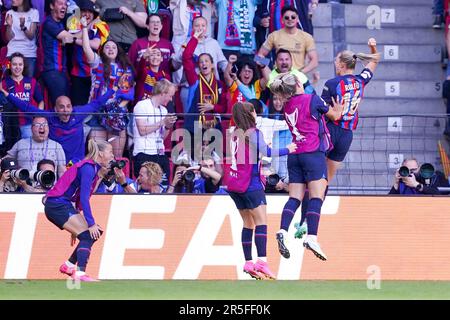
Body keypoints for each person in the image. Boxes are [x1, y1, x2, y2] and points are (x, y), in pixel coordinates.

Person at [294, 38, 380, 239]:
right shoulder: (361, 80)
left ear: (342, 64)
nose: (334, 63)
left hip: (330, 132)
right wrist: (372, 48)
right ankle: (313, 219)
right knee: (326, 181)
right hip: (347, 136)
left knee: (314, 179)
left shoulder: (332, 83)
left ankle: (304, 220)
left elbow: (324, 110)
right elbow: (374, 61)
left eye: (336, 61)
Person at [270, 72, 344, 261]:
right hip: (313, 153)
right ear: (297, 84)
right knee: (316, 196)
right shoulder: (312, 99)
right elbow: (334, 115)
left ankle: (283, 230)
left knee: (294, 198)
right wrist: (340, 108)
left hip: (294, 155)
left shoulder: (286, 106)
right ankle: (312, 237)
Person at [226, 101, 296, 280]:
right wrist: (288, 149)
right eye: (254, 112)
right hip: (250, 183)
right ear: (249, 114)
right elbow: (268, 152)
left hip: (234, 184)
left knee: (247, 224)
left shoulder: (234, 133)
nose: (256, 114)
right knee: (261, 222)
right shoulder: (253, 133)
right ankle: (262, 262)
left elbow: (246, 153)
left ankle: (249, 262)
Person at [44, 139, 114, 282]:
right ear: (100, 153)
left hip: (60, 204)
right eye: (110, 152)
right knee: (89, 234)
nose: (113, 156)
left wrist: (76, 223)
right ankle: (80, 274)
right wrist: (90, 223)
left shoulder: (91, 168)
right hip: (57, 204)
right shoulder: (88, 167)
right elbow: (83, 199)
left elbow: (80, 195)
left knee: (93, 234)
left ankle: (68, 265)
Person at [0, 81, 116, 164]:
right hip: (56, 164)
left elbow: (96, 103)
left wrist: (113, 90)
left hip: (77, 164)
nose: (66, 110)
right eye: (61, 107)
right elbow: (27, 107)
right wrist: (6, 94)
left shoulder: (79, 113)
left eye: (68, 106)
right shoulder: (50, 116)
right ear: (55, 109)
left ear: (72, 107)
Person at [81, 16, 135, 157]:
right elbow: (86, 48)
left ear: (118, 51)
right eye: (107, 47)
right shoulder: (97, 63)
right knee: (96, 156)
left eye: (114, 47)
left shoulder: (125, 69)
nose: (110, 49)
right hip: (97, 112)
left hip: (117, 115)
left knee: (115, 158)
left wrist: (116, 111)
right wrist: (85, 28)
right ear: (102, 51)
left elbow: (127, 95)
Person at [182, 27, 228, 158]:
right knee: (195, 158)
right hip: (194, 125)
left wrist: (213, 107)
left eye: (206, 61)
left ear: (212, 64)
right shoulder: (194, 80)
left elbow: (224, 108)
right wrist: (195, 38)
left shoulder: (219, 84)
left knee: (215, 159)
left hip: (213, 126)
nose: (203, 64)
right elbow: (186, 57)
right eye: (201, 62)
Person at [132, 79, 177, 184]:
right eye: (170, 96)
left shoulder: (164, 110)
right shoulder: (141, 106)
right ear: (162, 93)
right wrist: (162, 122)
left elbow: (162, 137)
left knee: (163, 187)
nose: (171, 99)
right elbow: (142, 130)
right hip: (143, 153)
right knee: (146, 187)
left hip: (159, 153)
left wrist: (167, 126)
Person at [257, 6, 318, 75]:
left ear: (297, 19)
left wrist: (301, 73)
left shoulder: (306, 37)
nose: (290, 19)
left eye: (293, 17)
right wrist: (269, 68)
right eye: (286, 17)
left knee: (310, 86)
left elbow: (314, 61)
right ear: (282, 20)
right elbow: (259, 56)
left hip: (298, 77)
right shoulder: (274, 35)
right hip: (279, 77)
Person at [40, 0, 77, 105]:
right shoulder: (49, 23)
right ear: (51, 6)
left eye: (65, 4)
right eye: (60, 4)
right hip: (51, 70)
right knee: (61, 104)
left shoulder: (60, 23)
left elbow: (71, 36)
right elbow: (70, 37)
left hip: (61, 71)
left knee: (64, 104)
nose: (64, 7)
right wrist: (87, 27)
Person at [2, 52, 44, 139]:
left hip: (28, 124)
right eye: (14, 64)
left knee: (27, 150)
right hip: (10, 125)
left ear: (24, 65)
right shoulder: (4, 83)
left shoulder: (32, 81)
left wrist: (38, 115)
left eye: (20, 64)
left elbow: (41, 101)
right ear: (10, 66)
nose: (17, 67)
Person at [69, 0, 102, 106]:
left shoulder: (98, 27)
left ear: (93, 15)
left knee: (92, 106)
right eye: (84, 11)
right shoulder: (73, 23)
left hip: (94, 74)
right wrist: (87, 27)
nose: (87, 14)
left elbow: (96, 44)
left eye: (90, 12)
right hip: (77, 73)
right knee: (78, 107)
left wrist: (75, 41)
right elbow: (70, 37)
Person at [4, 0, 40, 77]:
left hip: (29, 53)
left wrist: (23, 27)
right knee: (9, 82)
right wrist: (9, 26)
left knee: (28, 84)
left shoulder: (34, 12)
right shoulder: (9, 13)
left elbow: (31, 36)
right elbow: (8, 38)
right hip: (11, 53)